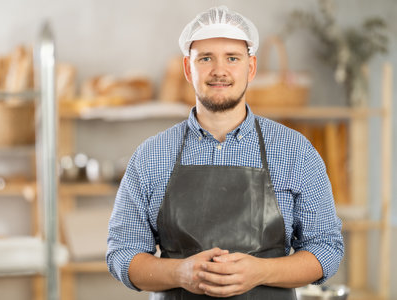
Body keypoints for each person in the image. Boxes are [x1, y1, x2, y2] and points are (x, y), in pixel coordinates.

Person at [107, 5, 344, 299]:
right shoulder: (151, 156)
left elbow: (326, 248)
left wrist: (262, 271)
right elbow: (122, 253)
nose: (219, 70)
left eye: (232, 58)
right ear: (187, 68)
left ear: (251, 67)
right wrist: (180, 273)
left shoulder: (295, 151)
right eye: (205, 58)